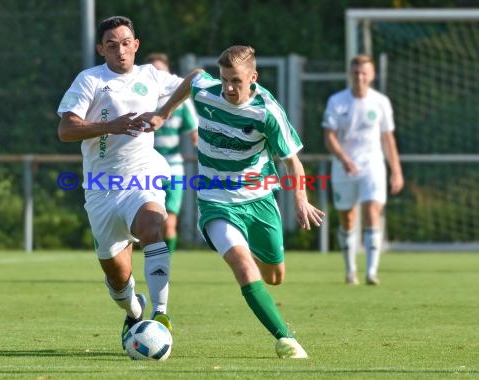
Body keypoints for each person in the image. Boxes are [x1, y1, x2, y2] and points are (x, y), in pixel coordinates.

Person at [141, 45, 324, 359]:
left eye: (236, 81)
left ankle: (248, 245)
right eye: (225, 79)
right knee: (243, 265)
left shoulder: (267, 111)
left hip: (259, 201)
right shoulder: (208, 91)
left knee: (274, 277)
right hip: (216, 201)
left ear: (253, 77)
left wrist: (300, 198)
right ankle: (286, 340)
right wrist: (164, 111)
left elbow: (292, 163)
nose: (228, 88)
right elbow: (195, 77)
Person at [56, 15, 183, 349]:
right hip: (100, 188)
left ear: (136, 45)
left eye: (126, 43)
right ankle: (134, 310)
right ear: (101, 49)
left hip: (143, 176)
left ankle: (160, 315)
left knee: (154, 226)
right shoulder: (90, 81)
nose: (120, 50)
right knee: (116, 275)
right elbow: (66, 130)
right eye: (111, 45)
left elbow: (193, 81)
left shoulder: (151, 76)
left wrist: (164, 112)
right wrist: (108, 127)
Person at [322, 54, 404, 286]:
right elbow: (329, 136)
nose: (360, 76)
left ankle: (371, 272)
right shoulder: (337, 101)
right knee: (347, 218)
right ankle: (350, 271)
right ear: (350, 74)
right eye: (356, 72)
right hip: (344, 167)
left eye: (364, 72)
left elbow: (388, 138)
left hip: (373, 167)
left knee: (372, 212)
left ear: (372, 75)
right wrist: (344, 159)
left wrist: (396, 170)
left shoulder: (381, 102)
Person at [144, 53, 199, 254]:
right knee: (147, 223)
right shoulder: (140, 100)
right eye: (153, 71)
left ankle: (166, 265)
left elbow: (195, 134)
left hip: (174, 168)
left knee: (169, 222)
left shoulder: (182, 102)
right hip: (145, 168)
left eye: (161, 71)